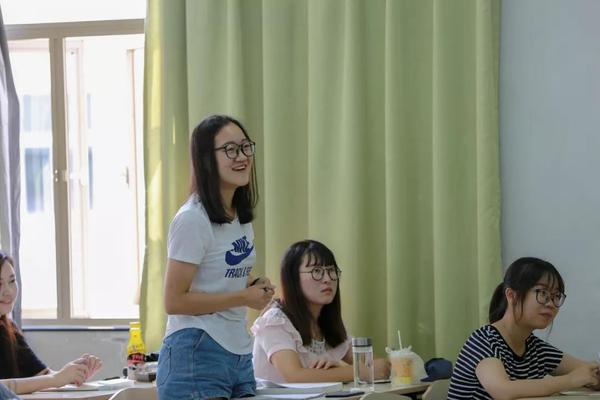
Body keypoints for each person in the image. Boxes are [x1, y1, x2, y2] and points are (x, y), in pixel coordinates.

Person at [157, 115, 275, 399]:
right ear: (206, 160)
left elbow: (219, 272)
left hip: (238, 352)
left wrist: (253, 284)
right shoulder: (192, 219)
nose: (242, 157)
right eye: (230, 149)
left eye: (245, 147)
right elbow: (174, 301)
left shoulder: (239, 217)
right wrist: (243, 297)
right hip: (197, 350)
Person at [448, 257, 600, 399]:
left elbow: (589, 371)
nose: (551, 304)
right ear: (512, 295)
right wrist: (570, 380)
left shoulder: (536, 348)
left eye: (556, 296)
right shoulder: (484, 340)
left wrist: (592, 377)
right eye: (543, 293)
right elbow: (502, 390)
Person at [252, 239, 390, 383]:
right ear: (293, 278)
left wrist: (339, 371)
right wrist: (360, 372)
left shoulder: (327, 322)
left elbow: (378, 366)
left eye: (331, 271)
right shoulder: (274, 321)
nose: (327, 279)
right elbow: (294, 376)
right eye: (317, 271)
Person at [0, 251, 102, 395]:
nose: (8, 291)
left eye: (12, 281)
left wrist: (75, 373)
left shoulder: (9, 329)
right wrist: (56, 379)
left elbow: (44, 376)